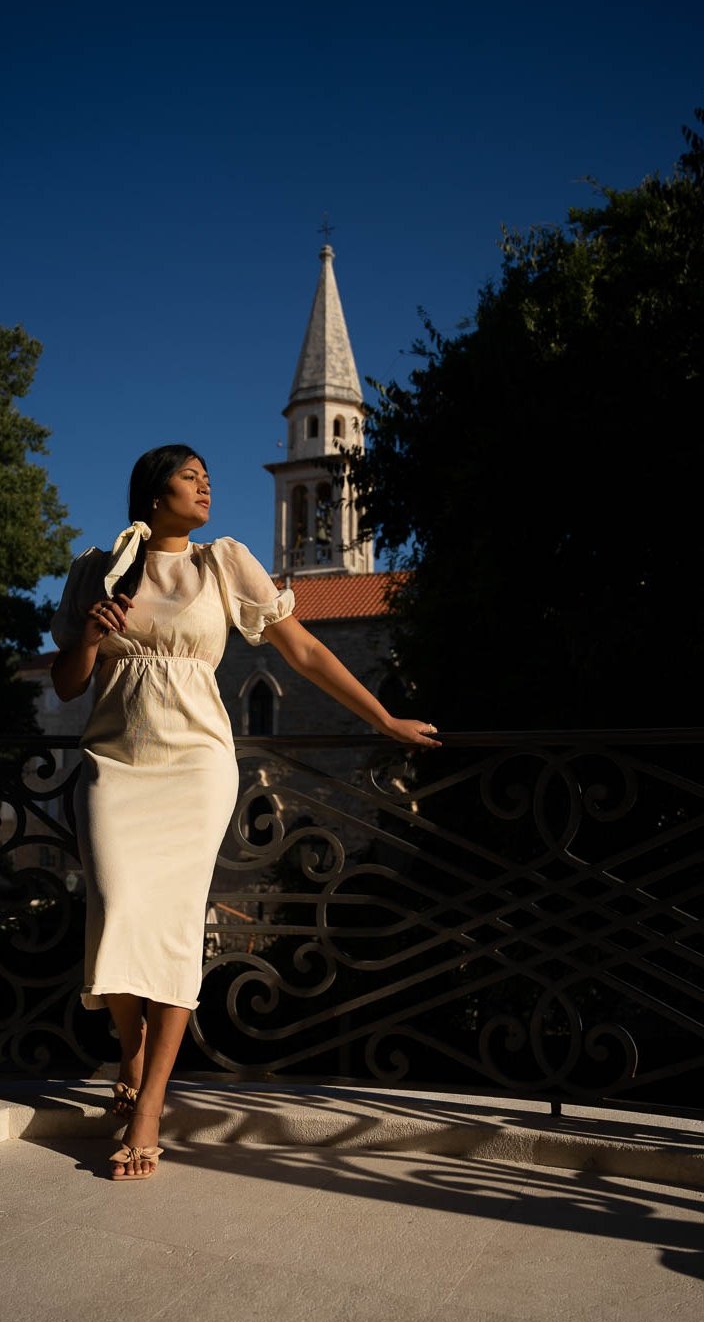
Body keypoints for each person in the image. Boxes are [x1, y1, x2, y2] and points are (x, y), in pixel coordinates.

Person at [50, 444, 441, 1180]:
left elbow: (303, 654)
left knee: (168, 930)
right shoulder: (96, 569)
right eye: (190, 477)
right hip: (112, 762)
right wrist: (94, 634)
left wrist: (384, 720)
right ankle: (129, 1052)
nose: (206, 486)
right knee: (114, 907)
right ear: (154, 491)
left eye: (207, 478)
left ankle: (148, 1106)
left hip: (196, 767)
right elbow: (69, 685)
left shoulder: (224, 563)